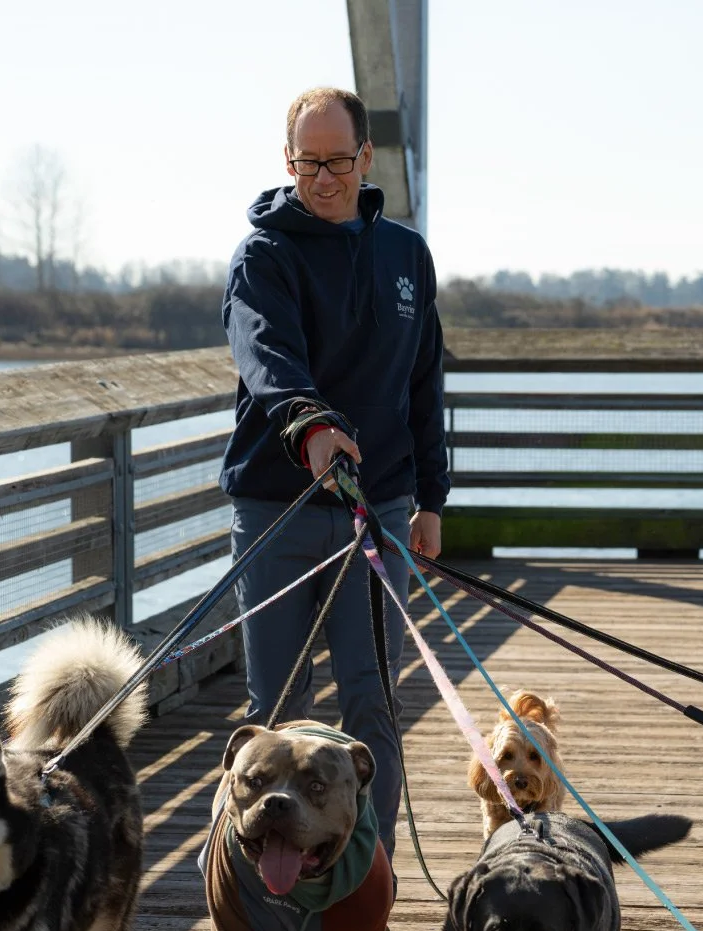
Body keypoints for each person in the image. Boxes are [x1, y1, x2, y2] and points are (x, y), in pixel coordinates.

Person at [219, 85, 448, 878]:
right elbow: (267, 358)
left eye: (338, 161)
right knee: (272, 711)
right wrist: (311, 424)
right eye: (308, 162)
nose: (324, 178)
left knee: (371, 703)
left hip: (376, 508)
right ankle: (261, 889)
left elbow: (424, 383)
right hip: (276, 507)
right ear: (288, 162)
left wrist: (431, 499)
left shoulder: (404, 256)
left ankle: (365, 880)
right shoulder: (264, 256)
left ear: (365, 159)